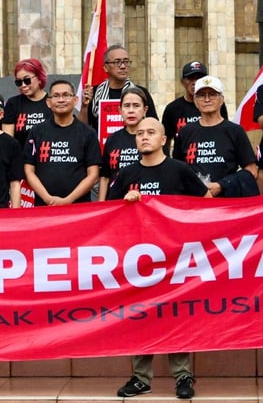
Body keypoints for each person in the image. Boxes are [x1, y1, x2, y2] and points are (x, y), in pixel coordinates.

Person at [109, 118, 207, 400]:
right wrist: (125, 204)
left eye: (151, 132)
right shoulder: (127, 173)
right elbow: (109, 215)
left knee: (175, 316)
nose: (144, 137)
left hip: (176, 258)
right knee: (141, 316)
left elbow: (206, 206)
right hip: (139, 260)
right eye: (140, 133)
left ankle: (183, 376)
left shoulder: (180, 170)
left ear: (164, 139)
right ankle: (141, 378)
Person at [172, 76, 259, 195]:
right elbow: (177, 171)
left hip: (227, 200)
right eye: (201, 95)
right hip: (194, 200)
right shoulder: (185, 132)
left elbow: (252, 171)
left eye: (212, 94)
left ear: (221, 100)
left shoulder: (235, 131)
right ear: (195, 101)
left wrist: (222, 185)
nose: (207, 99)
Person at [23, 80, 102, 206]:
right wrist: (48, 199)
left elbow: (93, 175)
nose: (61, 100)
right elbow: (29, 171)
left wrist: (68, 200)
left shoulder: (88, 133)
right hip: (44, 206)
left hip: (78, 207)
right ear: (48, 102)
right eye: (56, 96)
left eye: (66, 95)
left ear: (75, 100)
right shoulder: (37, 132)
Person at [80, 45, 158, 136]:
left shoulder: (141, 93)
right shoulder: (94, 92)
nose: (123, 66)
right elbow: (82, 130)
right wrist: (84, 106)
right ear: (105, 67)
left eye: (126, 61)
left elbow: (154, 126)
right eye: (117, 62)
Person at [160, 61, 228, 154]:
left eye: (199, 78)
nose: (195, 82)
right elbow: (165, 141)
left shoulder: (215, 105)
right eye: (190, 78)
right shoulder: (172, 109)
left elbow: (224, 131)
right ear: (182, 82)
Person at [100, 87, 150, 200]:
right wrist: (101, 205)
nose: (131, 110)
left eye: (136, 106)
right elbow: (105, 176)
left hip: (144, 201)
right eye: (127, 106)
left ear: (145, 110)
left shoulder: (153, 139)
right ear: (120, 110)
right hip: (115, 201)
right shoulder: (112, 139)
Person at [2, 58, 50, 147]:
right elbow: (7, 141)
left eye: (27, 80)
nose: (23, 85)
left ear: (39, 78)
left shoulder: (52, 103)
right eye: (19, 82)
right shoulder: (13, 104)